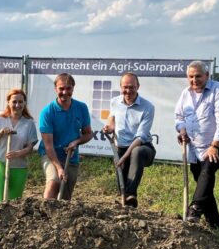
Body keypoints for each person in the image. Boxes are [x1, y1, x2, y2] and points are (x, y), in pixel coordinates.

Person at [175, 60, 219, 229]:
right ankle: (214, 223)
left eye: (198, 76)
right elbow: (179, 117)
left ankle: (194, 209)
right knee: (203, 184)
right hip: (195, 149)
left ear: (207, 75)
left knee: (207, 169)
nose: (194, 80)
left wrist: (214, 145)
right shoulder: (185, 94)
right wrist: (182, 131)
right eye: (191, 77)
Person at [103, 72, 156, 208]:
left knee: (136, 152)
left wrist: (124, 157)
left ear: (138, 86)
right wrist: (110, 126)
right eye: (125, 87)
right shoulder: (115, 101)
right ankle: (125, 204)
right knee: (122, 183)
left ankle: (131, 195)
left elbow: (140, 137)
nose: (128, 91)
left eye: (132, 87)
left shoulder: (148, 107)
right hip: (121, 147)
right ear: (120, 87)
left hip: (143, 147)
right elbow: (112, 117)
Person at [38, 73, 92, 200]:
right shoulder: (47, 112)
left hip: (71, 156)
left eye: (68, 88)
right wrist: (59, 168)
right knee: (54, 180)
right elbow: (48, 146)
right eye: (61, 88)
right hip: (51, 154)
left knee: (65, 194)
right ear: (55, 89)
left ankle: (61, 218)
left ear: (73, 88)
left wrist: (76, 142)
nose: (65, 92)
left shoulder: (81, 108)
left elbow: (88, 133)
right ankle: (44, 214)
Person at [0, 88, 38, 202]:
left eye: (20, 101)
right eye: (14, 101)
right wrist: (0, 133)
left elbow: (30, 147)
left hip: (19, 165)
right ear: (8, 103)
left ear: (24, 103)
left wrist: (18, 153)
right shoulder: (0, 120)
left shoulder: (29, 123)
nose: (17, 105)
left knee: (14, 202)